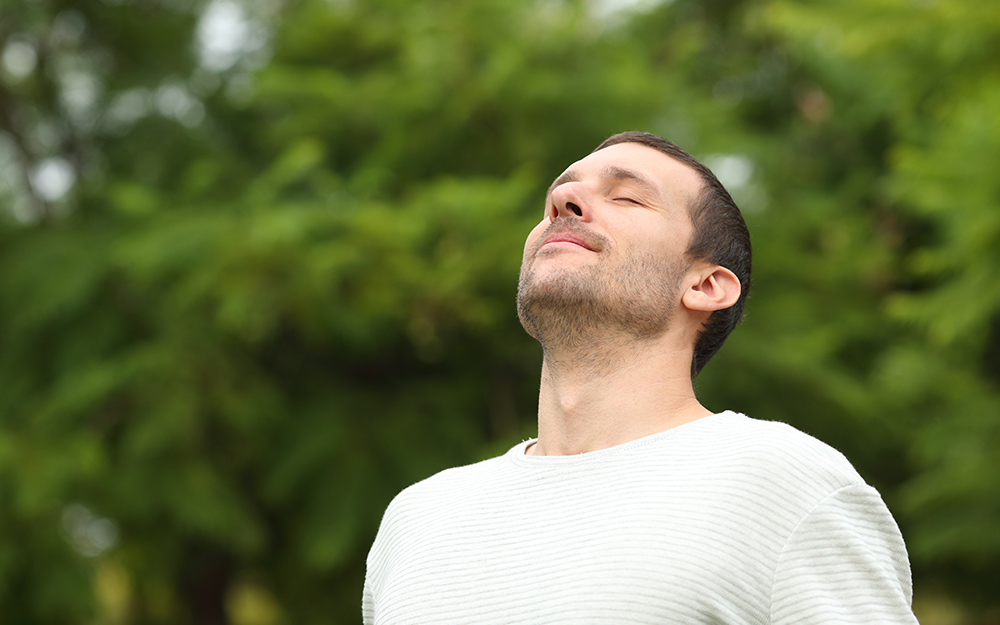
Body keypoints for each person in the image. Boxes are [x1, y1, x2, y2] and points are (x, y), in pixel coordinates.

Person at [362, 132, 918, 624]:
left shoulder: (783, 484)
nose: (563, 200)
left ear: (705, 286)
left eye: (626, 196)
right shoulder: (419, 518)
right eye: (560, 194)